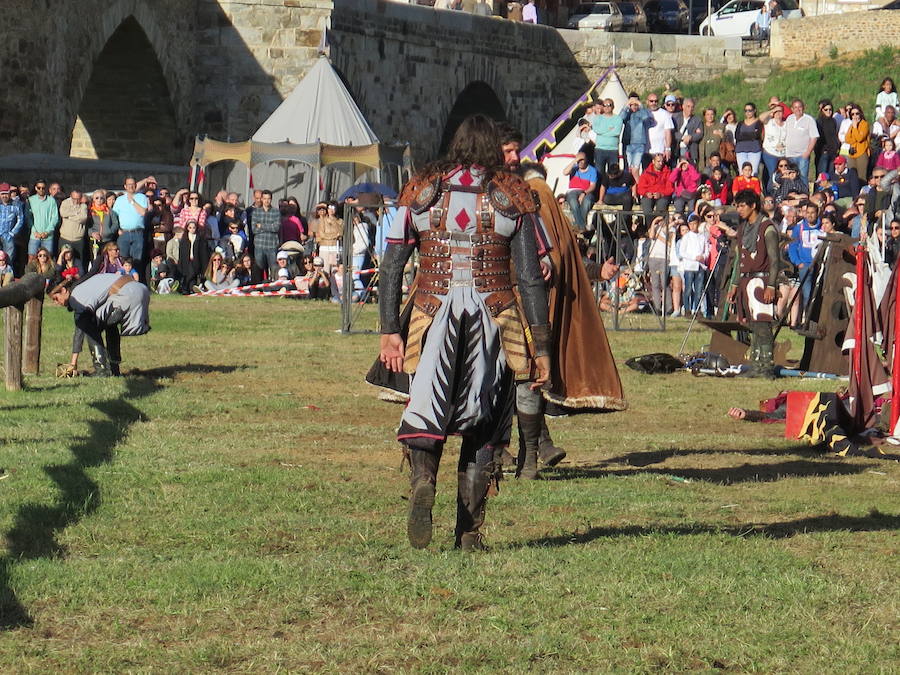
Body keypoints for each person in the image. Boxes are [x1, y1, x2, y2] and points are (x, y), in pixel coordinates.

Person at [377, 115, 551, 551]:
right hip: (495, 318)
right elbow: (530, 277)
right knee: (486, 423)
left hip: (429, 314)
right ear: (493, 146)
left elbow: (393, 263)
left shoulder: (420, 189)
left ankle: (423, 478)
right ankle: (468, 533)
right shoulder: (512, 192)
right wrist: (541, 345)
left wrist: (389, 331)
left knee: (428, 406)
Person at [48, 273, 150, 377]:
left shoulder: (76, 297)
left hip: (127, 295)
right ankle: (114, 369)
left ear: (64, 290)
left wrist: (73, 363)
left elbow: (81, 328)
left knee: (91, 327)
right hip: (140, 289)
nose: (56, 303)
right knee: (109, 324)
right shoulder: (84, 287)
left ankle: (102, 370)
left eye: (55, 298)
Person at [726, 189, 780, 378]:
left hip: (762, 280)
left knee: (763, 325)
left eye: (742, 205)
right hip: (746, 281)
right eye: (737, 206)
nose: (739, 209)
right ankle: (756, 366)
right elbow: (739, 259)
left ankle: (767, 367)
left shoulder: (768, 228)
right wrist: (734, 284)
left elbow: (775, 260)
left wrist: (771, 285)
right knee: (753, 325)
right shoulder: (742, 229)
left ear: (753, 206)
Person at [112, 177, 149, 264]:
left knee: (137, 260)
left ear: (136, 185)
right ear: (125, 186)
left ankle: (135, 277)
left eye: (133, 184)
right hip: (124, 233)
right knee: (122, 259)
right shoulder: (119, 200)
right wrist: (117, 229)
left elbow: (143, 212)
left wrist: (133, 202)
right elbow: (114, 216)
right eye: (129, 184)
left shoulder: (142, 197)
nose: (131, 186)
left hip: (138, 233)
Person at [784, 99, 819, 187]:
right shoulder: (789, 118)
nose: (797, 109)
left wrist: (807, 152)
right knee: (790, 177)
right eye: (795, 107)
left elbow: (814, 137)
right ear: (792, 109)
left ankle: (804, 197)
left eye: (800, 107)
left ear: (803, 108)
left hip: (802, 155)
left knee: (802, 177)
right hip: (789, 154)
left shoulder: (809, 120)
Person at [620, 93, 652, 181]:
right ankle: (631, 190)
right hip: (627, 143)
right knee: (628, 169)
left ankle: (639, 188)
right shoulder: (626, 113)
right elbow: (620, 119)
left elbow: (647, 118)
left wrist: (640, 105)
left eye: (635, 104)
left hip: (639, 143)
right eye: (632, 104)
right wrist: (626, 106)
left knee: (635, 169)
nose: (634, 106)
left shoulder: (641, 113)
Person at [564, 151, 598, 230]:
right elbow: (565, 172)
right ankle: (582, 226)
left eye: (582, 160)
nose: (580, 162)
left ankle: (578, 225)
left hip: (586, 191)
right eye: (578, 160)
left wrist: (584, 193)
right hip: (573, 190)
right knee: (573, 202)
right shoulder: (574, 168)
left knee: (587, 201)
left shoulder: (592, 170)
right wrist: (574, 161)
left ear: (586, 160)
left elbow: (593, 186)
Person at [27, 179, 60, 262]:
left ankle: (46, 275)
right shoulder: (30, 200)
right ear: (35, 188)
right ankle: (30, 275)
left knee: (48, 259)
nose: (41, 190)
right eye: (39, 188)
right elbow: (28, 218)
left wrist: (47, 232)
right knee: (31, 257)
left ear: (46, 188)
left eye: (43, 188)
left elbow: (55, 218)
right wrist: (35, 231)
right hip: (35, 235)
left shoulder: (51, 201)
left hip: (48, 236)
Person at [308, 201, 343, 274]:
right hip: (325, 248)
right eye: (329, 208)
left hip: (335, 248)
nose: (331, 210)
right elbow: (322, 234)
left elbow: (341, 233)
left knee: (335, 271)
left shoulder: (340, 221)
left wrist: (333, 222)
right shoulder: (322, 221)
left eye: (333, 208)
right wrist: (334, 236)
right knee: (325, 271)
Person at [591, 98, 623, 176]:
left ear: (613, 107)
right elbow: (596, 130)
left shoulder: (618, 119)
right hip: (599, 149)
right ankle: (600, 188)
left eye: (609, 105)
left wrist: (602, 132)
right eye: (604, 105)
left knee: (614, 173)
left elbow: (616, 132)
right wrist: (609, 129)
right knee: (599, 173)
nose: (607, 107)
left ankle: (612, 188)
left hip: (613, 150)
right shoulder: (597, 118)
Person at [637, 153, 673, 220]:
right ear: (653, 161)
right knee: (646, 207)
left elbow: (670, 188)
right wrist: (646, 193)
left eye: (662, 161)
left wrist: (661, 194)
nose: (661, 163)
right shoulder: (646, 172)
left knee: (661, 206)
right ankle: (650, 228)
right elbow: (640, 188)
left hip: (662, 195)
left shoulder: (667, 172)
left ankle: (658, 227)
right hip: (649, 194)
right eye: (658, 161)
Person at [58, 189, 89, 265]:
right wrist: (76, 213)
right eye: (74, 198)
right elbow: (63, 213)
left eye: (78, 199)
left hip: (78, 239)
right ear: (70, 197)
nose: (76, 201)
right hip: (65, 238)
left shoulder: (83, 206)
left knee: (79, 262)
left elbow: (83, 218)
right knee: (63, 261)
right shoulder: (65, 203)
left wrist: (69, 217)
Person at [761, 105, 787, 190]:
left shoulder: (786, 124)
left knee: (782, 174)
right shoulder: (769, 122)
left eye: (780, 111)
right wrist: (772, 110)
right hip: (770, 153)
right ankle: (769, 194)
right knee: (773, 173)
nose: (778, 113)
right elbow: (761, 118)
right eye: (776, 112)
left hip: (783, 154)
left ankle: (780, 193)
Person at [179, 220, 208, 293]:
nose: (192, 229)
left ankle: (186, 287)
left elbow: (203, 253)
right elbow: (182, 252)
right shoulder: (184, 239)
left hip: (196, 260)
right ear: (187, 228)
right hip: (187, 260)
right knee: (189, 274)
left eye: (194, 228)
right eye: (190, 228)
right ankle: (186, 288)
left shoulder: (200, 238)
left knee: (193, 274)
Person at [842, 106, 870, 181]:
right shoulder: (852, 125)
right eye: (852, 114)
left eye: (857, 113)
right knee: (852, 176)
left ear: (860, 114)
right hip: (852, 153)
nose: (855, 116)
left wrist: (855, 128)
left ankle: (863, 192)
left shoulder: (864, 124)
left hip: (862, 153)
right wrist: (854, 130)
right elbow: (847, 139)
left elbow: (860, 138)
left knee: (861, 177)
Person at [672, 97, 702, 165]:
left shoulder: (697, 120)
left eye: (692, 107)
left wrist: (690, 137)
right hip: (676, 149)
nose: (690, 109)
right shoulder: (675, 118)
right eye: (688, 106)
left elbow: (700, 134)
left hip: (691, 150)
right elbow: (672, 132)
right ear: (683, 106)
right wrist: (683, 137)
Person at [0, 183, 24, 265]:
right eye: (2, 194)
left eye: (6, 194)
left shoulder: (16, 205)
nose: (4, 196)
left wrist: (13, 233)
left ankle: (8, 275)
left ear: (10, 194)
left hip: (8, 235)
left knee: (9, 258)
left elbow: (20, 219)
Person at [648, 94, 675, 165]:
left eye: (656, 101)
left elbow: (668, 132)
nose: (654, 103)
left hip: (660, 151)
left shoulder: (664, 114)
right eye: (651, 101)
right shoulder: (644, 113)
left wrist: (668, 148)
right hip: (647, 151)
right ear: (647, 102)